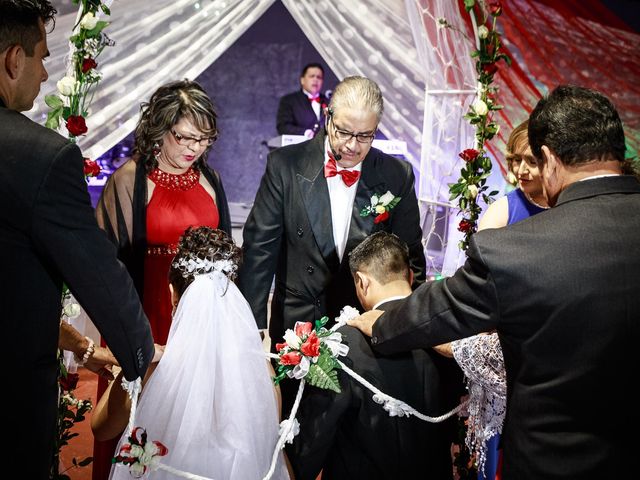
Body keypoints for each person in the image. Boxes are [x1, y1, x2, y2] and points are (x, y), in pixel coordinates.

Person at [348, 85, 640, 479]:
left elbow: (443, 309)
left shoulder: (518, 250)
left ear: (549, 159)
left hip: (552, 462)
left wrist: (382, 320)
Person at [0, 2, 155, 478]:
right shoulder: (40, 156)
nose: (46, 73)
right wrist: (140, 356)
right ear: (12, 60)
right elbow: (98, 275)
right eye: (42, 57)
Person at [238, 75, 426, 413]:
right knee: (292, 427)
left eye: (365, 136)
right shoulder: (286, 166)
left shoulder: (396, 175)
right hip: (297, 325)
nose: (353, 146)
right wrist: (251, 331)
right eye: (343, 132)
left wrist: (409, 327)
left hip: (364, 328)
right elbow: (259, 252)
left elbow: (410, 259)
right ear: (328, 118)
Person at [93, 79, 231, 479]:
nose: (193, 149)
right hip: (144, 318)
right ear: (159, 128)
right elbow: (104, 266)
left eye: (203, 140)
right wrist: (126, 334)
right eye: (184, 137)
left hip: (200, 323)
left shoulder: (212, 180)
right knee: (137, 430)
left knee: (189, 430)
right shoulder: (130, 180)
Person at [92, 227, 289, 480]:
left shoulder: (153, 366)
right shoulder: (263, 372)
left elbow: (101, 428)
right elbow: (273, 456)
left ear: (172, 293)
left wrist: (129, 371)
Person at [288, 231, 463, 480]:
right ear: (411, 276)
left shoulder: (342, 346)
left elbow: (311, 444)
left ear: (362, 282)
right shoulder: (451, 339)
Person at [437, 120, 548, 479]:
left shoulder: (570, 211)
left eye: (531, 160)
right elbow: (477, 287)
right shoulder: (503, 211)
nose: (520, 170)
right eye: (515, 160)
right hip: (503, 349)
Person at [276, 62, 328, 138]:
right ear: (302, 80)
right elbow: (283, 126)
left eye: (319, 77)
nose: (315, 79)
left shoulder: (329, 101)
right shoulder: (289, 100)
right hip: (299, 147)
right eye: (311, 76)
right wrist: (305, 132)